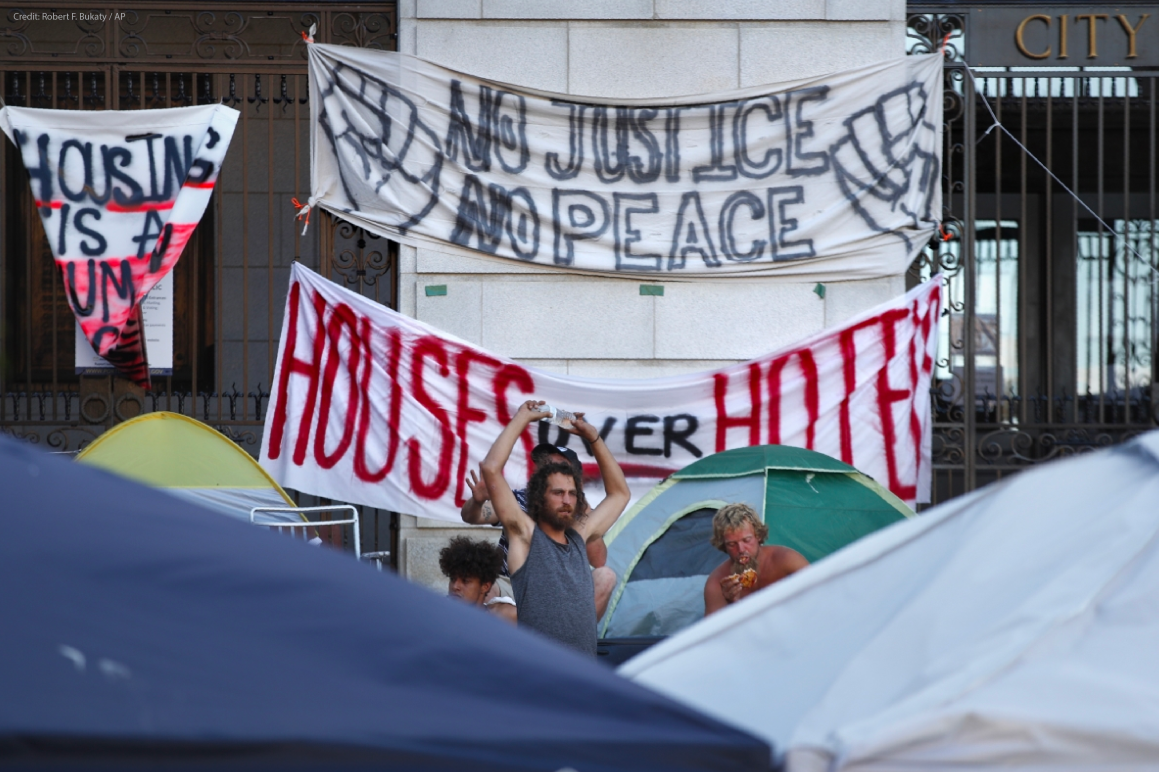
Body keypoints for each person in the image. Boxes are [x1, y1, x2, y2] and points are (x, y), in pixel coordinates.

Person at [480, 400, 630, 655]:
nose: (567, 500)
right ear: (539, 496)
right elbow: (491, 469)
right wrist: (522, 419)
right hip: (542, 676)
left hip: (582, 674)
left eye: (572, 493)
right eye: (558, 493)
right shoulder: (524, 535)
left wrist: (593, 437)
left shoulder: (579, 534)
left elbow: (619, 494)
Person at [461, 442, 614, 619]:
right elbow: (471, 516)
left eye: (556, 467)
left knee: (606, 576)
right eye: (545, 465)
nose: (547, 470)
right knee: (482, 586)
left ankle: (573, 639)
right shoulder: (520, 499)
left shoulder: (579, 510)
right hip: (511, 585)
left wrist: (580, 510)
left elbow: (599, 560)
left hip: (556, 595)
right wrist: (478, 501)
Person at [703, 503, 809, 616]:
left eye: (747, 540)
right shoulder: (717, 583)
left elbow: (820, 601)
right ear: (723, 545)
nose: (741, 549)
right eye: (732, 544)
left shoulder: (788, 561)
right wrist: (733, 604)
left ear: (758, 536)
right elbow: (718, 631)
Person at [438, 535, 517, 624]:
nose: (455, 586)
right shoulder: (437, 614)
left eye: (465, 581)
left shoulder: (504, 616)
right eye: (452, 579)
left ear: (485, 586)